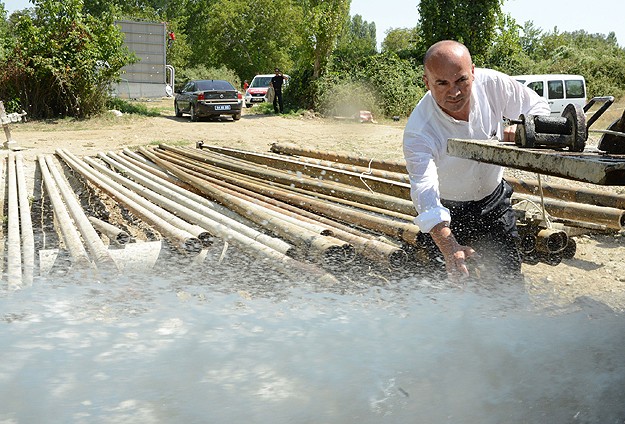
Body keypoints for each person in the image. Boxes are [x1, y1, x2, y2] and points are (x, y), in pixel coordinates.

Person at [402, 40, 550, 281]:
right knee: (446, 288)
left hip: (494, 203)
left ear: (473, 72)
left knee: (508, 282)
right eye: (442, 83)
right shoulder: (419, 130)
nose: (455, 92)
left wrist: (524, 127)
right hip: (449, 211)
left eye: (461, 80)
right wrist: (450, 248)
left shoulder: (493, 84)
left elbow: (538, 106)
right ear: (427, 82)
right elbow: (425, 193)